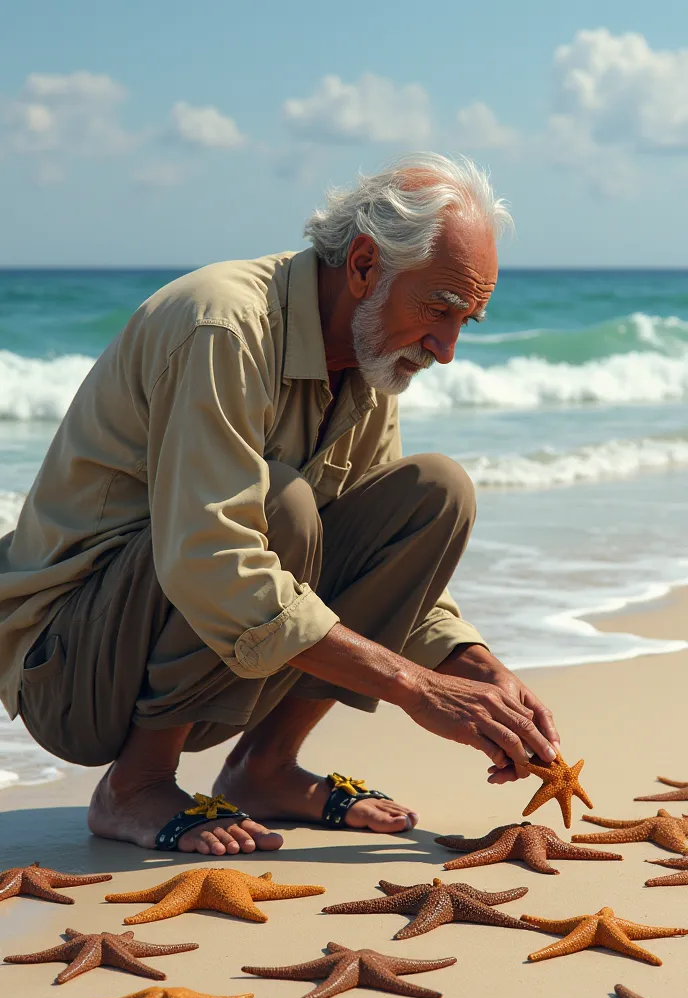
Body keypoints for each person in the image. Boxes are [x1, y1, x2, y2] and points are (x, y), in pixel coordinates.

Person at [0, 152, 560, 858]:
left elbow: (374, 558)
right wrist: (417, 691)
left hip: (204, 660)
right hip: (73, 670)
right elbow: (214, 558)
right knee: (283, 506)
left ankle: (263, 767)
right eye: (439, 309)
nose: (446, 349)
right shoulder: (224, 327)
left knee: (434, 494)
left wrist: (473, 667)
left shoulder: (366, 364)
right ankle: (136, 784)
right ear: (363, 266)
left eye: (466, 321)